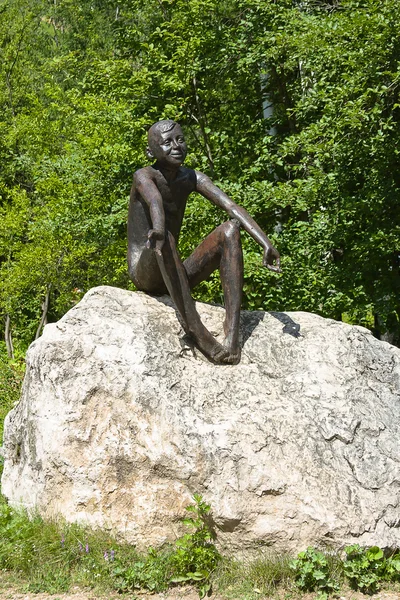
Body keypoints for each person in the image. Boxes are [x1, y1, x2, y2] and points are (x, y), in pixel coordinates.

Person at [127, 119, 280, 364]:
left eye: (180, 140)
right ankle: (197, 332)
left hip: (174, 272)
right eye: (166, 143)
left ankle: (231, 338)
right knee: (164, 235)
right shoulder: (143, 176)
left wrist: (265, 242)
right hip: (146, 269)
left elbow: (230, 206)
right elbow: (155, 201)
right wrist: (157, 228)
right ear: (150, 152)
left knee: (230, 230)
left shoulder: (192, 177)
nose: (176, 147)